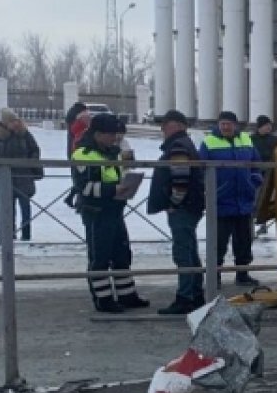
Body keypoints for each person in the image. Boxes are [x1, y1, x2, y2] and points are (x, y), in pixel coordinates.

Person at [72, 112, 149, 312]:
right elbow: (84, 187)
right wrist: (114, 189)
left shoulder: (112, 151)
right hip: (96, 211)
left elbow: (124, 171)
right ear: (98, 134)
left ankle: (126, 295)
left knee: (121, 253)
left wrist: (128, 172)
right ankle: (103, 299)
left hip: (114, 208)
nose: (115, 137)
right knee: (100, 257)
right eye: (111, 134)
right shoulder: (84, 154)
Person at [147, 110, 205, 315]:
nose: (163, 129)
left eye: (167, 125)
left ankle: (186, 297)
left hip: (183, 207)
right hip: (191, 205)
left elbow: (181, 178)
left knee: (183, 252)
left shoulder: (178, 146)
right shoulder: (184, 144)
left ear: (179, 126)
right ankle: (196, 294)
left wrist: (174, 202)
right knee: (189, 249)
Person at [198, 110, 263, 287]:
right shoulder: (209, 142)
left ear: (235, 125)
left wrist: (255, 180)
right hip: (220, 201)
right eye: (222, 123)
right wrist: (209, 188)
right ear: (218, 125)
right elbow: (199, 169)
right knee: (218, 242)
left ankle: (242, 274)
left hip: (243, 200)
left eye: (229, 123)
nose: (226, 127)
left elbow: (256, 164)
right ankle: (215, 276)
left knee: (244, 241)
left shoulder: (246, 140)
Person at [0, 108, 44, 241]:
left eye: (16, 120)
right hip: (6, 178)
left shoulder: (24, 134)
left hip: (24, 177)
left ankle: (26, 234)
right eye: (12, 121)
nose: (15, 123)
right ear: (5, 122)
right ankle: (8, 234)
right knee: (7, 208)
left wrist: (31, 163)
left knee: (25, 208)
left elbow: (34, 149)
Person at [250, 115, 277, 235]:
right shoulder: (251, 139)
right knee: (255, 199)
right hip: (255, 173)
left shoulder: (274, 140)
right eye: (266, 125)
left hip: (270, 173)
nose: (269, 128)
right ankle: (253, 223)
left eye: (269, 125)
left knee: (267, 200)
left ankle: (263, 224)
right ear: (260, 127)